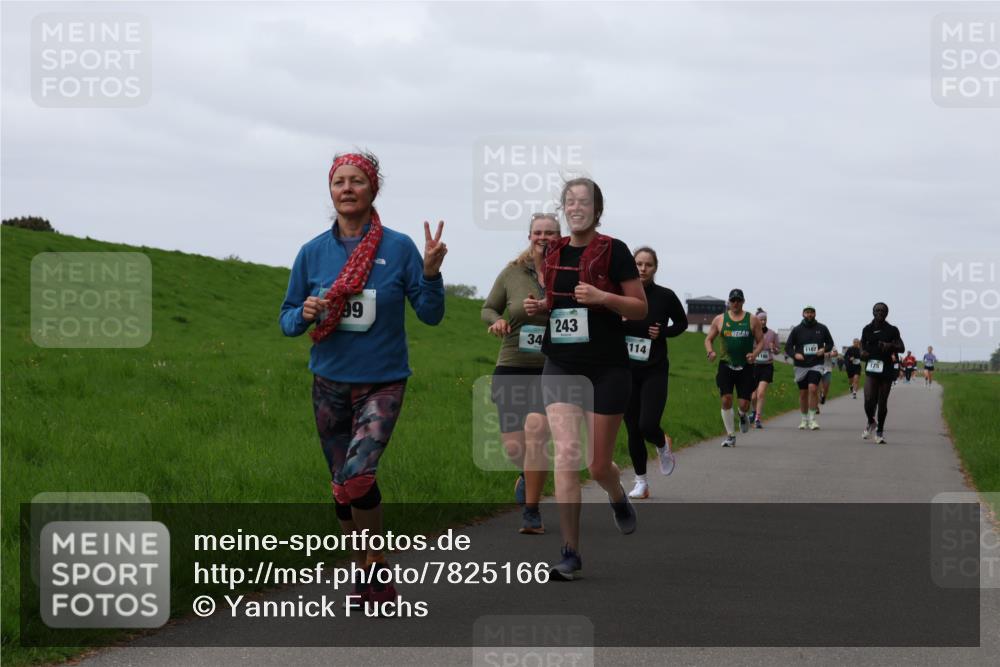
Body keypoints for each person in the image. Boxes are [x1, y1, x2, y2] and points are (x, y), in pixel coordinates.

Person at [279, 151, 446, 606]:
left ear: (373, 189)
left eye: (356, 181)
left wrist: (430, 275)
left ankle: (377, 570)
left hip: (383, 381)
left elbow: (430, 315)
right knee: (339, 483)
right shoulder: (313, 252)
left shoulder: (399, 247)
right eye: (339, 182)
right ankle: (363, 572)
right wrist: (305, 312)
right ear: (330, 191)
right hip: (329, 381)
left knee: (357, 476)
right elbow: (287, 320)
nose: (347, 189)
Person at [523, 177, 647, 581]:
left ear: (597, 209)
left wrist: (603, 298)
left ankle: (616, 495)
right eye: (570, 201)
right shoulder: (552, 251)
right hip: (561, 362)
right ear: (564, 208)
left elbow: (639, 308)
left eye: (585, 201)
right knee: (567, 454)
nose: (577, 207)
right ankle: (570, 552)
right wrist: (542, 305)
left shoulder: (615, 250)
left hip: (608, 367)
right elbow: (561, 305)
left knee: (597, 466)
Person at [481, 213, 560, 534]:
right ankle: (528, 473)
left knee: (537, 433)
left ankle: (531, 510)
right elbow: (488, 307)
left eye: (551, 233)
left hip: (553, 369)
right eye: (539, 232)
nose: (544, 237)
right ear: (530, 236)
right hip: (512, 364)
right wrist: (495, 321)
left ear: (560, 237)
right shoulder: (512, 273)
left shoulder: (570, 272)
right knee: (515, 447)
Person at [622, 246, 688, 499]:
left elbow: (681, 323)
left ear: (655, 268)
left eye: (648, 264)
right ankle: (641, 482)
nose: (642, 269)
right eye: (638, 264)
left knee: (647, 424)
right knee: (632, 428)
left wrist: (663, 333)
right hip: (626, 370)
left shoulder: (665, 296)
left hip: (654, 369)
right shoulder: (622, 294)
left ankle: (662, 443)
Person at [704, 289, 765, 447]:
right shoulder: (719, 320)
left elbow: (761, 341)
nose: (735, 303)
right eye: (733, 300)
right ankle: (730, 436)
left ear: (743, 301)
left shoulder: (752, 319)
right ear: (729, 302)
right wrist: (710, 352)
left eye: (738, 300)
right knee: (726, 399)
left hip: (745, 366)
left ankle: (743, 414)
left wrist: (754, 354)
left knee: (744, 404)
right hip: (726, 364)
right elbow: (708, 339)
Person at [783, 306, 834, 430]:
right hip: (801, 365)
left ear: (815, 314)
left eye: (811, 312)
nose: (809, 314)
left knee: (813, 388)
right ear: (803, 314)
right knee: (803, 393)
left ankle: (812, 419)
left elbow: (830, 343)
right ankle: (804, 419)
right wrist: (795, 354)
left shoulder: (822, 328)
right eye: (807, 312)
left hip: (816, 364)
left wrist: (824, 349)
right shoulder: (797, 330)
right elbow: (788, 347)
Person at [860, 302, 904, 444]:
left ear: (887, 313)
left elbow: (901, 347)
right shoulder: (867, 329)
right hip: (872, 368)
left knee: (882, 402)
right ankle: (871, 421)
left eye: (883, 310)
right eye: (877, 310)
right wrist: (863, 353)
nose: (880, 312)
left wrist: (890, 345)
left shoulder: (892, 330)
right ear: (873, 312)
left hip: (886, 369)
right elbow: (861, 346)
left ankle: (879, 432)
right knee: (868, 400)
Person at [748, 309, 780, 429]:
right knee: (753, 396)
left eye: (765, 319)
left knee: (761, 393)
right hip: (754, 366)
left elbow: (778, 351)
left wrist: (773, 348)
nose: (763, 321)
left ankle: (757, 419)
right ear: (756, 320)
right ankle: (754, 412)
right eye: (761, 319)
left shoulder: (772, 334)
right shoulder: (751, 333)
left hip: (767, 366)